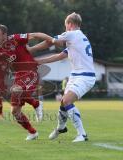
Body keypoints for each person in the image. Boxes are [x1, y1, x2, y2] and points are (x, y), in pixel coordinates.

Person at [0, 24, 48, 140]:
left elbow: (35, 35)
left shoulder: (15, 39)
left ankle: (36, 103)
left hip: (30, 70)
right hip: (18, 75)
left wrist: (51, 40)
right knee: (14, 111)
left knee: (16, 89)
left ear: (4, 35)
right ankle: (32, 132)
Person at [33, 12, 96, 142]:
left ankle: (82, 134)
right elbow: (59, 56)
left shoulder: (71, 34)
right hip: (76, 75)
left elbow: (50, 41)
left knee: (67, 101)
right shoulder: (79, 37)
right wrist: (39, 62)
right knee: (63, 102)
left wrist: (31, 49)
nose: (65, 29)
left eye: (65, 26)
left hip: (84, 76)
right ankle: (61, 128)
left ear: (70, 24)